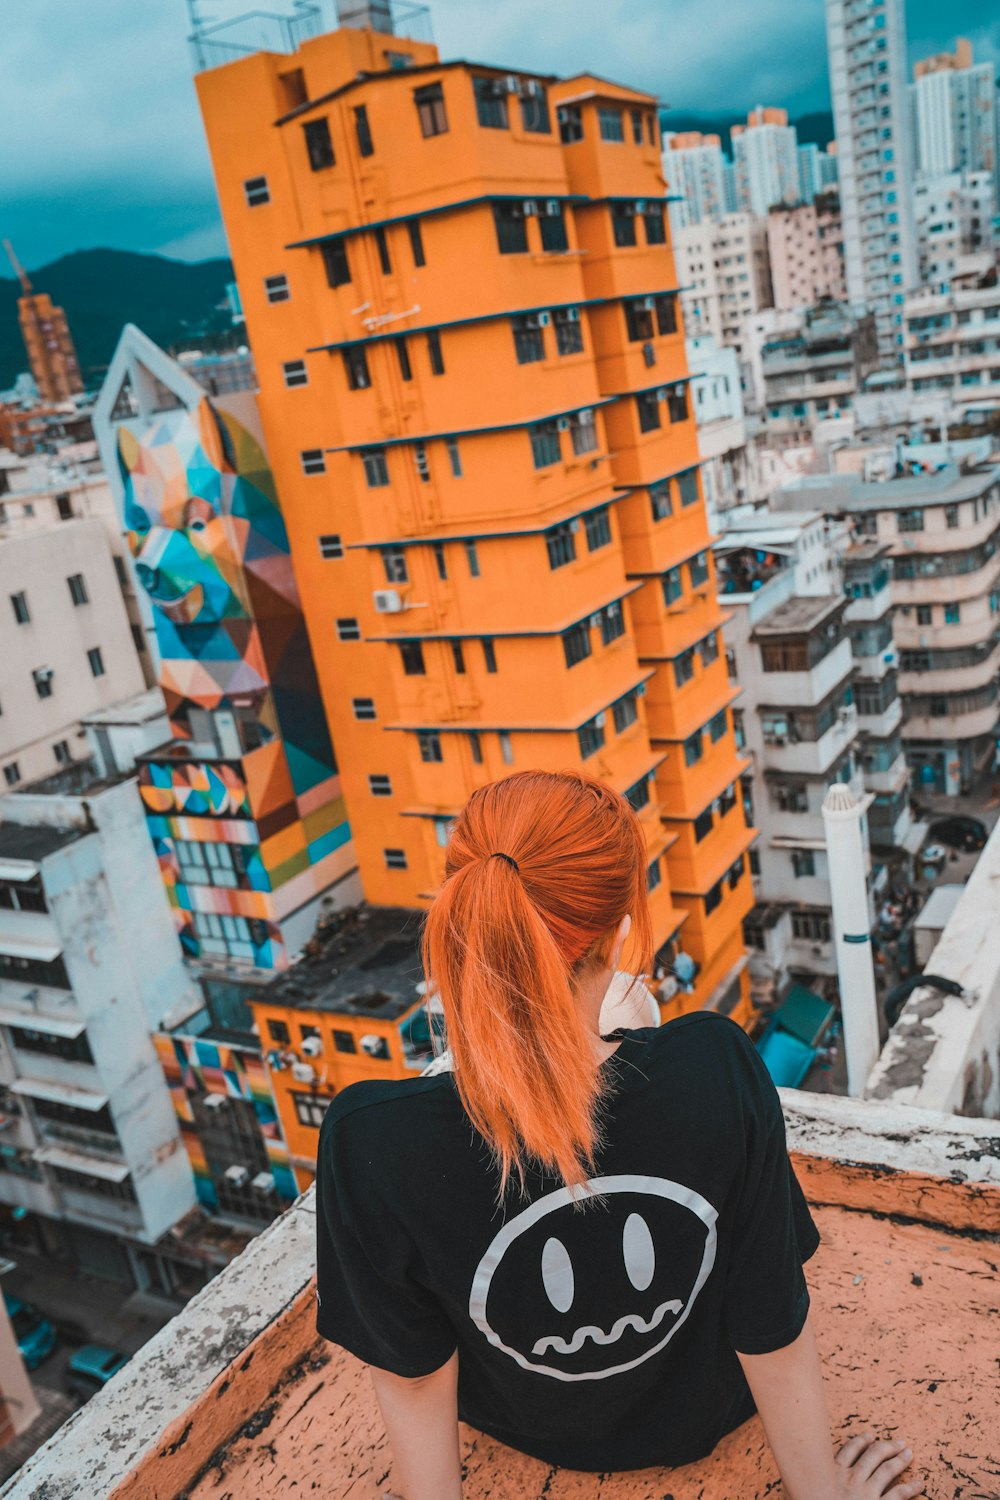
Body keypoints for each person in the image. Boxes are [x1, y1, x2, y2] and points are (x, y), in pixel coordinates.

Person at [315, 771, 921, 1500]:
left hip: (524, 1431)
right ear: (620, 931)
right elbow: (770, 1315)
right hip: (709, 1419)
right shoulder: (714, 1070)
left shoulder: (372, 1143)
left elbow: (415, 1382)